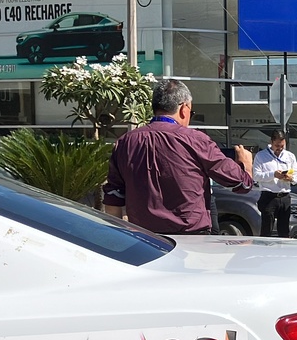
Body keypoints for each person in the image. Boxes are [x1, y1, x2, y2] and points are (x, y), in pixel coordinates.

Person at [103, 79, 253, 234]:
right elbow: (241, 184)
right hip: (190, 240)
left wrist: (118, 237)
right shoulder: (196, 140)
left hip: (145, 241)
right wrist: (246, 164)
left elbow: (113, 196)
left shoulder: (125, 142)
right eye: (191, 112)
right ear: (184, 108)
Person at [253, 129, 297, 237]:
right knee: (267, 229)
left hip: (285, 196)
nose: (279, 148)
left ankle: (282, 251)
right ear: (271, 142)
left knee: (284, 230)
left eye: (282, 146)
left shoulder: (289, 156)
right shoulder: (261, 156)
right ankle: (264, 252)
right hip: (269, 196)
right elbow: (256, 176)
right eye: (277, 146)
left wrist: (291, 178)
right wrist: (273, 175)